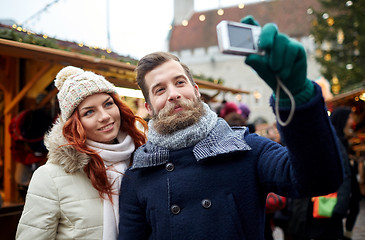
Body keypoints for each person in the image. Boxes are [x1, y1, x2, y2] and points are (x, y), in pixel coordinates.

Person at [118, 16, 344, 240]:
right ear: (149, 107)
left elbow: (320, 179)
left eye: (179, 82)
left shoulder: (246, 148)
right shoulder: (138, 175)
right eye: (159, 90)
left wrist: (296, 96)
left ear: (196, 91)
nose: (173, 94)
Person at [16, 66, 147, 240]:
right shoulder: (51, 177)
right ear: (75, 124)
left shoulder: (141, 160)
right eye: (89, 112)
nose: (104, 116)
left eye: (108, 104)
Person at [331, 107, 362, 240]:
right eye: (349, 118)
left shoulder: (342, 141)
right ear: (342, 120)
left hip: (341, 200)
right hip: (335, 202)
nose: (352, 121)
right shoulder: (335, 142)